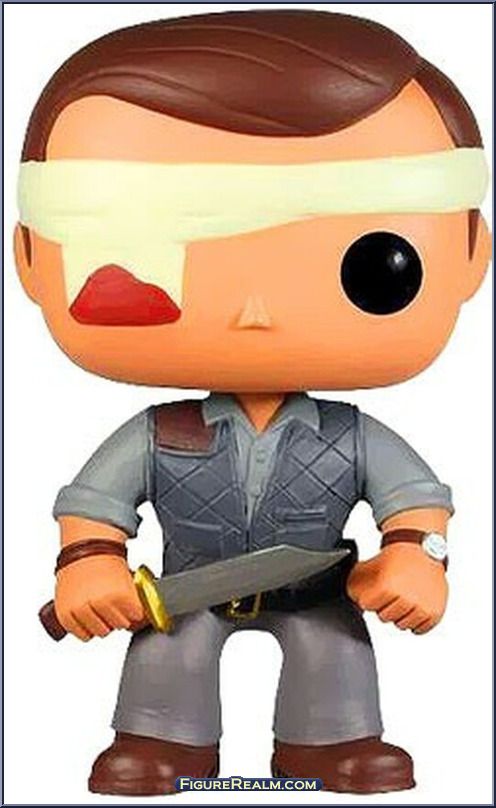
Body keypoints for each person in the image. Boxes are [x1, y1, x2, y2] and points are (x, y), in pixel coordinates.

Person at [14, 9, 490, 796]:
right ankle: (162, 745)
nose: (256, 310)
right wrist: (89, 564)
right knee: (167, 662)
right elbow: (95, 505)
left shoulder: (351, 436)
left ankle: (328, 746)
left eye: (377, 264)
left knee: (332, 658)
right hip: (181, 595)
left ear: (473, 252)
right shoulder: (159, 434)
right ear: (30, 259)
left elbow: (416, 502)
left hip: (317, 591)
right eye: (136, 255)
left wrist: (419, 556)